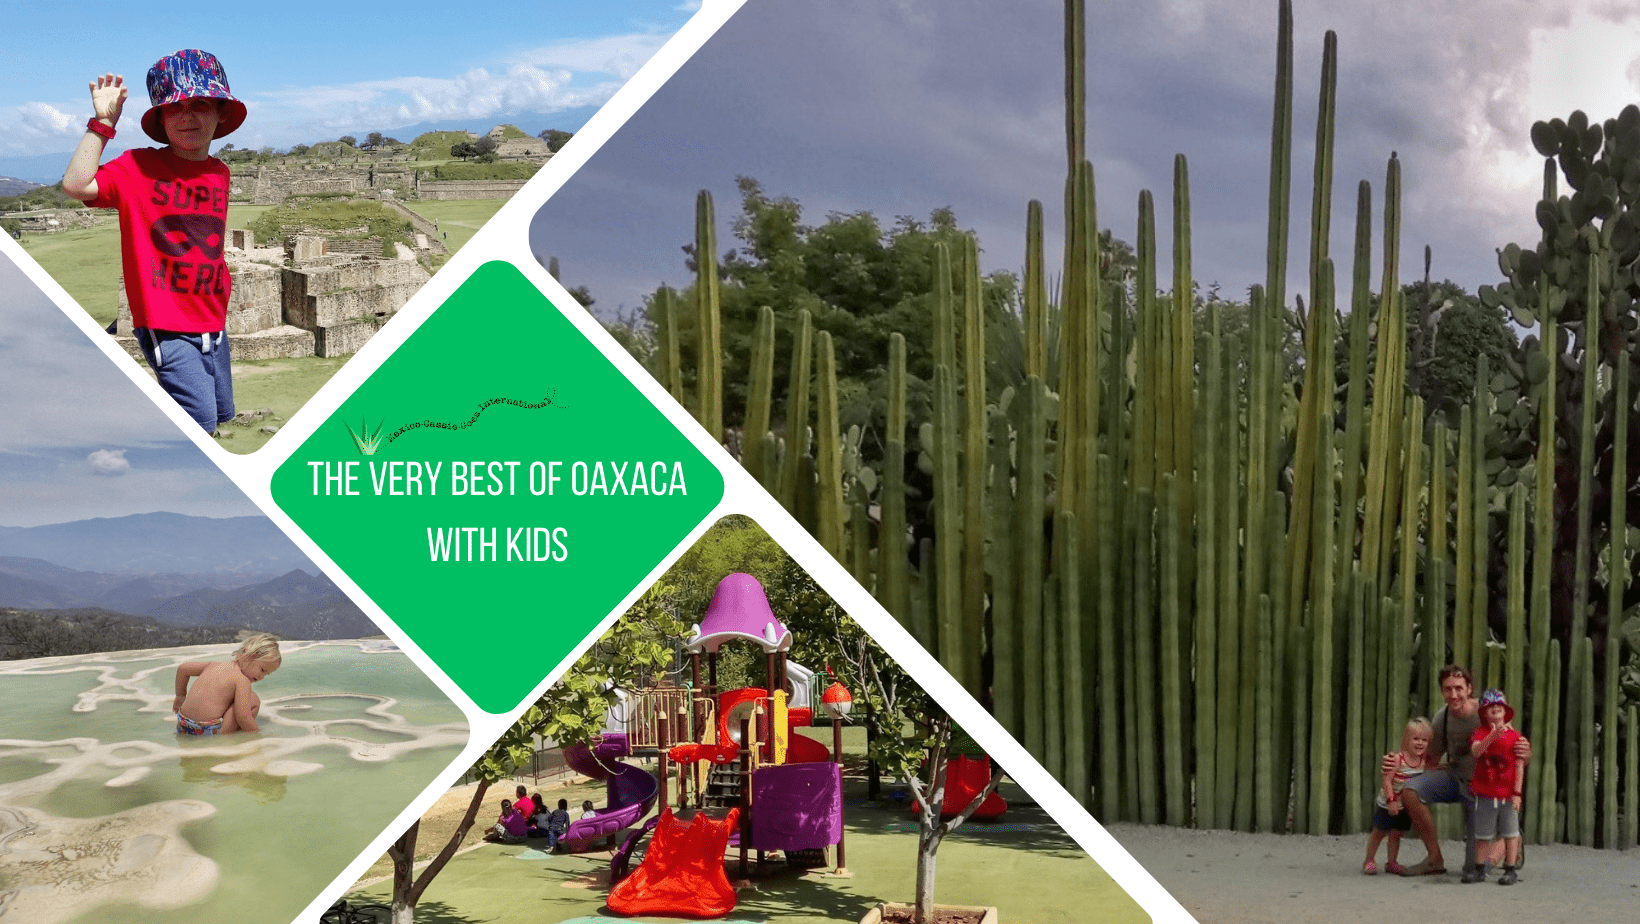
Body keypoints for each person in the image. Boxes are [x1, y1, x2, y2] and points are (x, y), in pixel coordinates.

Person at [60, 50, 246, 434]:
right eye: (174, 107)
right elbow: (77, 185)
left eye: (199, 104)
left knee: (221, 414)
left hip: (212, 319)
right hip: (167, 321)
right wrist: (101, 124)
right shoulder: (137, 168)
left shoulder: (220, 173)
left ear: (220, 112)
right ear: (161, 119)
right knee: (200, 422)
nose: (187, 116)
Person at [1387, 665, 1531, 878]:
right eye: (1448, 689)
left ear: (1469, 689)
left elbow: (1516, 752)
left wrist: (1526, 752)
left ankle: (1508, 843)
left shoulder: (1488, 714)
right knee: (1411, 791)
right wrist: (1397, 767)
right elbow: (1431, 759)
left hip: (1483, 788)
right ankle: (1434, 859)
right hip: (1456, 779)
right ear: (1442, 691)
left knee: (1474, 869)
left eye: (1459, 688)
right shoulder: (1442, 718)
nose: (1453, 694)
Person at [1469, 690, 1525, 885]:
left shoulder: (1515, 737)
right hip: (1485, 792)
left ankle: (1510, 869)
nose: (1495, 710)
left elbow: (1519, 765)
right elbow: (1476, 751)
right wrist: (1491, 737)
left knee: (1511, 832)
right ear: (1484, 713)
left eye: (1499, 708)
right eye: (1490, 708)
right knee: (1483, 833)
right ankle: (1479, 868)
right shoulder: (1481, 733)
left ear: (1505, 712)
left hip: (1508, 794)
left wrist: (1517, 793)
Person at [172, 634, 280, 735]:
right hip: (207, 732)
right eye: (262, 670)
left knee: (233, 699)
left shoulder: (214, 665)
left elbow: (183, 669)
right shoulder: (242, 681)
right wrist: (256, 734)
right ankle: (228, 737)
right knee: (253, 699)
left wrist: (180, 696)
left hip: (182, 725)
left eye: (266, 674)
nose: (262, 676)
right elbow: (243, 717)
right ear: (248, 655)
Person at [1364, 717, 1430, 875]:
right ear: (1407, 739)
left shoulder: (1423, 761)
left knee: (1396, 834)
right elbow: (1386, 780)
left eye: (1424, 740)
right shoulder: (1396, 759)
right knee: (1379, 832)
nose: (1420, 743)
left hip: (1406, 806)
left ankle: (1392, 862)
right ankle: (1369, 859)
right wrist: (1391, 801)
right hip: (1388, 803)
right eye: (1415, 739)